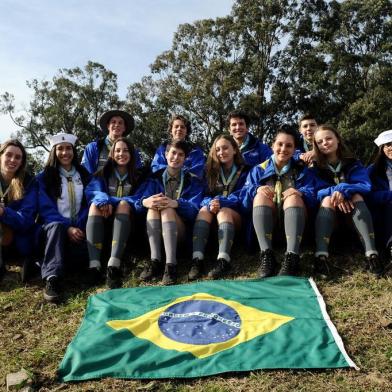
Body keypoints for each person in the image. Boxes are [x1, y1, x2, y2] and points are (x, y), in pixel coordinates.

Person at [242, 127, 316, 277]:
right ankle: (266, 255)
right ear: (272, 146)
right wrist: (256, 190)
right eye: (280, 144)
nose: (283, 149)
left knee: (294, 197)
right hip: (269, 226)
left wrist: (299, 192)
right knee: (260, 195)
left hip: (296, 227)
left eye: (289, 146)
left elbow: (314, 195)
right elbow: (243, 199)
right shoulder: (258, 169)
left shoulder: (302, 169)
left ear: (295, 149)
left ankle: (292, 256)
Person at [312, 124, 382, 276]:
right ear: (316, 146)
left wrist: (344, 190)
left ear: (337, 139)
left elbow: (365, 185)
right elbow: (315, 192)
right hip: (331, 220)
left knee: (357, 195)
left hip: (353, 216)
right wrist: (336, 193)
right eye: (320, 141)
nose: (325, 143)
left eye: (329, 138)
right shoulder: (315, 167)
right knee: (326, 200)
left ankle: (372, 255)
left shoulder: (353, 162)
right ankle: (321, 257)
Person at [136, 140, 204, 285]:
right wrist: (144, 202)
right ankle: (155, 261)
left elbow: (194, 210)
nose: (176, 157)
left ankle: (171, 265)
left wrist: (177, 203)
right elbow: (137, 202)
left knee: (167, 207)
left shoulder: (192, 180)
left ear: (185, 159)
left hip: (180, 233)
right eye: (173, 153)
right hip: (156, 231)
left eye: (181, 155)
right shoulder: (154, 178)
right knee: (152, 206)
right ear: (166, 154)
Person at [85, 137, 146, 288]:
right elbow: (93, 191)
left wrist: (113, 202)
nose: (121, 154)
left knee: (124, 204)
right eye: (117, 150)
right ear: (112, 154)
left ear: (132, 154)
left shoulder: (140, 176)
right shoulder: (102, 173)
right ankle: (94, 266)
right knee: (95, 205)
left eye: (126, 150)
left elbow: (140, 199)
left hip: (130, 223)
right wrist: (104, 200)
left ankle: (114, 266)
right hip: (105, 219)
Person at [36, 133, 90, 302]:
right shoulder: (43, 177)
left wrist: (78, 226)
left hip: (79, 229)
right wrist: (67, 227)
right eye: (60, 149)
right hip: (55, 230)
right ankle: (52, 279)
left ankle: (40, 264)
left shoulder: (84, 174)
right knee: (56, 227)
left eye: (68, 148)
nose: (65, 153)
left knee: (83, 257)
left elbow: (88, 202)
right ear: (54, 151)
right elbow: (46, 209)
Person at [188, 135, 249, 280]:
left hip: (235, 218)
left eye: (225, 148)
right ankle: (197, 259)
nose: (221, 152)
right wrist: (211, 202)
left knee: (224, 211)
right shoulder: (209, 172)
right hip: (213, 217)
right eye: (218, 149)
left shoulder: (246, 171)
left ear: (234, 149)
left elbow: (244, 196)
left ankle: (223, 260)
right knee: (203, 210)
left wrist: (222, 202)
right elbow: (201, 196)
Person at [0, 140, 38, 281]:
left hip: (18, 239)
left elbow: (26, 219)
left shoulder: (29, 182)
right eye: (8, 155)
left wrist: (3, 212)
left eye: (18, 157)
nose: (12, 160)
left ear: (22, 161)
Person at [82, 109, 142, 174]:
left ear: (124, 128)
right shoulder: (92, 148)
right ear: (108, 126)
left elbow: (137, 176)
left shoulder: (133, 151)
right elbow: (86, 175)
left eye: (120, 123)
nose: (117, 125)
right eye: (113, 122)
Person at [367, 129, 392, 276]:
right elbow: (368, 195)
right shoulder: (373, 170)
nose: (391, 148)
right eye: (387, 145)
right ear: (382, 149)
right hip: (383, 214)